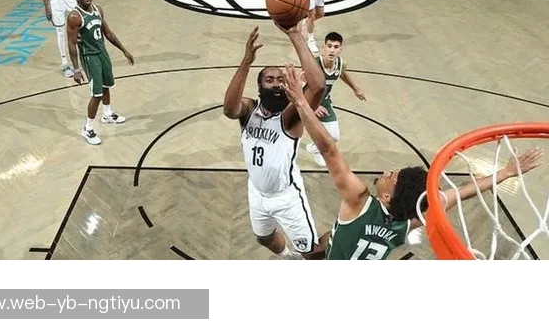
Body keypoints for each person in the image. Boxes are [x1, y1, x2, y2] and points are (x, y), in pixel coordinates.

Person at [281, 62, 544, 260]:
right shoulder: (410, 220)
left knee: (324, 245)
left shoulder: (359, 200)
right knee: (327, 239)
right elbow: (462, 192)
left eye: (391, 176)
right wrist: (506, 173)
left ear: (386, 197)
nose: (386, 172)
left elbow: (329, 150)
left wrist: (301, 102)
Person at [223, 22, 326, 260]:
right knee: (264, 238)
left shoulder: (290, 117)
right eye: (269, 80)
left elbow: (318, 86)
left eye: (281, 79)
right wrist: (246, 62)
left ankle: (344, 236)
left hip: (286, 197)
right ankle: (288, 258)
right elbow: (229, 109)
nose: (276, 83)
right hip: (256, 191)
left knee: (312, 252)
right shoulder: (249, 110)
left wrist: (295, 35)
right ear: (260, 86)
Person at [66, 0, 134, 145]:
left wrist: (124, 50)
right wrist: (76, 69)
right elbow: (71, 43)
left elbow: (108, 33)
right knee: (96, 94)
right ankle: (87, 128)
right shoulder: (74, 17)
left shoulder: (98, 10)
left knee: (106, 85)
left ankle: (107, 114)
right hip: (90, 57)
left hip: (102, 52)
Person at [305, 32, 366, 167]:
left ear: (340, 49)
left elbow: (342, 73)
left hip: (325, 101)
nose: (332, 50)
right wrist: (313, 106)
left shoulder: (341, 63)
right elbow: (299, 84)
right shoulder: (314, 65)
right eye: (329, 46)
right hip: (308, 102)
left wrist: (355, 88)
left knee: (335, 137)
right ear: (324, 47)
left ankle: (314, 148)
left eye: (336, 47)